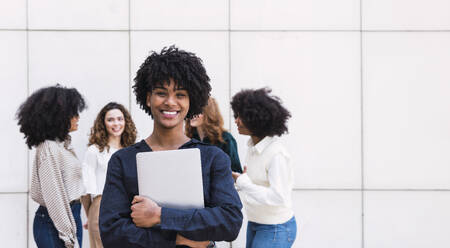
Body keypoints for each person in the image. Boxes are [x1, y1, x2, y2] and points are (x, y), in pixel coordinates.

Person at [99, 46, 243, 248]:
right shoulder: (123, 161)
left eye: (181, 94)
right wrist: (177, 241)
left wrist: (160, 215)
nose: (170, 102)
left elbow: (230, 222)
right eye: (161, 93)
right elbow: (111, 232)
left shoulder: (213, 158)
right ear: (148, 98)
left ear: (191, 100)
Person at [16, 85, 87, 248]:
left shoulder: (62, 145)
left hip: (70, 217)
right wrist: (68, 236)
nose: (78, 117)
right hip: (54, 223)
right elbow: (55, 198)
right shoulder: (49, 148)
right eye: (73, 113)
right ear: (59, 116)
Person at [230, 88, 297, 248]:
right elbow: (256, 185)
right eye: (236, 116)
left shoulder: (276, 154)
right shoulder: (253, 147)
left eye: (241, 117)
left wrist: (243, 183)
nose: (236, 121)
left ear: (256, 119)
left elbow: (279, 197)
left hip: (275, 228)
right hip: (255, 223)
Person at [81, 102, 137, 248]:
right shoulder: (94, 151)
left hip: (128, 209)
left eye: (120, 119)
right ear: (103, 123)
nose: (116, 123)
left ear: (126, 121)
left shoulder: (131, 150)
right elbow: (86, 189)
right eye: (110, 119)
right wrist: (91, 215)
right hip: (101, 206)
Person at [185, 97, 243, 173]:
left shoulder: (225, 139)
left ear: (208, 114)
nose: (192, 115)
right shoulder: (188, 139)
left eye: (198, 111)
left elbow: (236, 171)